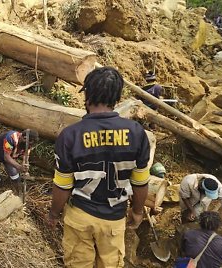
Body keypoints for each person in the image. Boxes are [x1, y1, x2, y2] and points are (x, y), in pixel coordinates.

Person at [48, 67, 151, 267]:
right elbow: (140, 182)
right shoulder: (137, 133)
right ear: (117, 98)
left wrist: (54, 213)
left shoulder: (71, 135)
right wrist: (137, 211)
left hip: (80, 215)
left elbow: (62, 185)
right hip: (114, 219)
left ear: (87, 95)